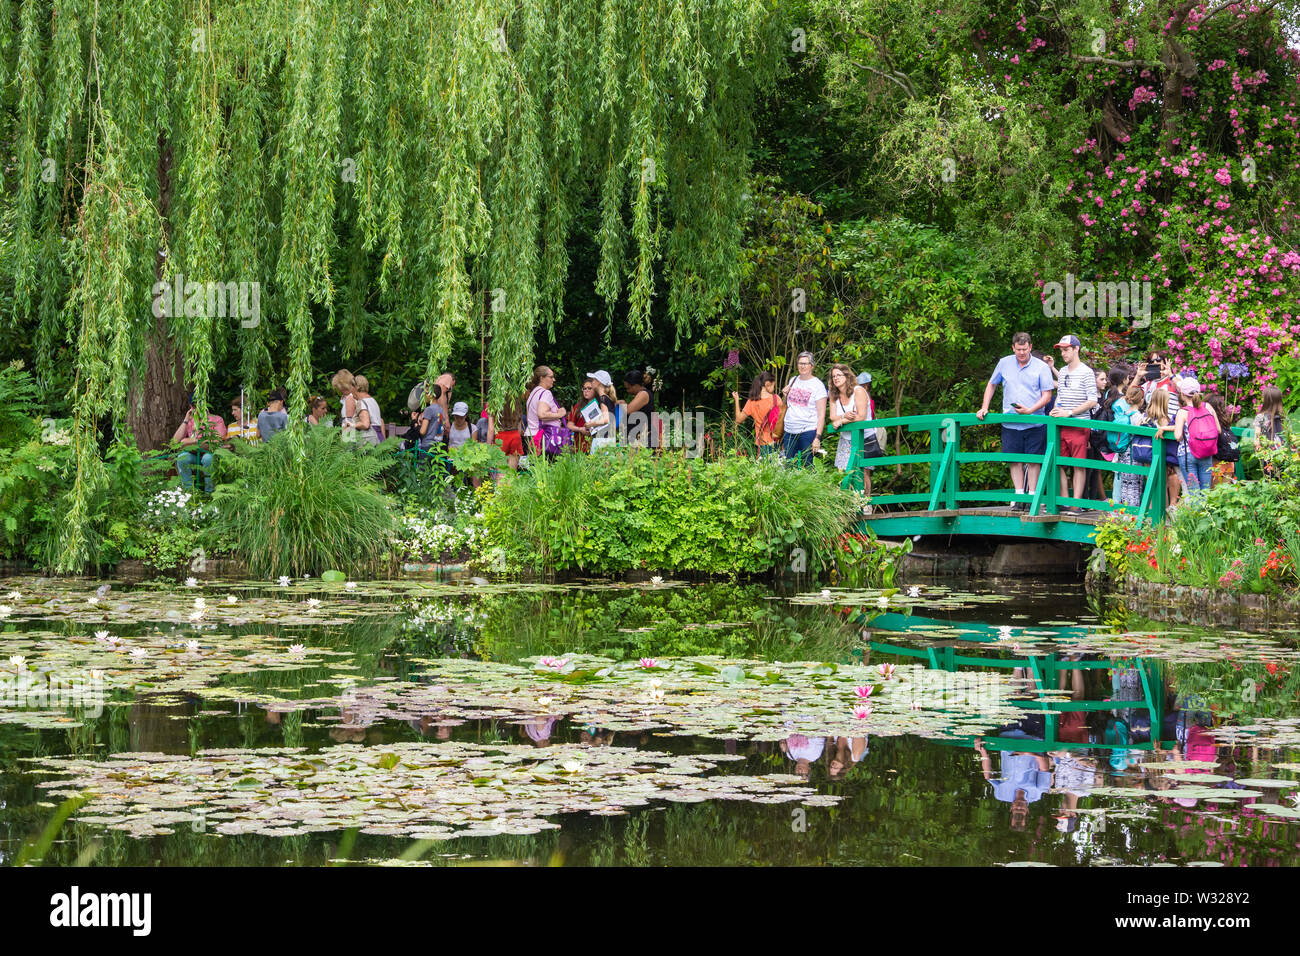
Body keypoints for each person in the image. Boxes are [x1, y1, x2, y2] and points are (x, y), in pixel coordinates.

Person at [977, 333, 1055, 511]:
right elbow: (992, 384)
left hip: (1035, 421)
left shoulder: (1042, 367)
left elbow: (1047, 395)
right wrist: (984, 407)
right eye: (1018, 349)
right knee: (1014, 459)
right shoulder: (1004, 362)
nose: (1021, 352)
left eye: (1025, 349)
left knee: (1034, 460)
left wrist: (1030, 410)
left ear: (1030, 347)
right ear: (1013, 348)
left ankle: (1032, 496)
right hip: (1010, 421)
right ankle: (1018, 495)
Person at [1050, 334, 1099, 512]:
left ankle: (1076, 504)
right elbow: (1061, 396)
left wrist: (1069, 413)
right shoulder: (1062, 371)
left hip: (1079, 424)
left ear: (1076, 349)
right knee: (1058, 463)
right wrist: (1056, 408)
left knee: (1078, 465)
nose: (1063, 354)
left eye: (1066, 350)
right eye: (1062, 350)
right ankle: (1065, 500)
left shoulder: (1086, 372)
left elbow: (1092, 400)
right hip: (1061, 424)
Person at [1162, 377, 1219, 497]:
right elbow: (1218, 430)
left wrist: (1166, 428)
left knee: (1194, 492)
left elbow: (1178, 436)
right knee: (1205, 491)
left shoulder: (1182, 412)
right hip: (1206, 452)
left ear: (1182, 394)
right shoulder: (1208, 407)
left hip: (1188, 454)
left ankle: (1195, 516)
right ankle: (1205, 515)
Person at [172, 395, 227, 494]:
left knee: (207, 459)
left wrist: (189, 441)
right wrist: (186, 420)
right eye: (194, 405)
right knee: (182, 457)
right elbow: (175, 442)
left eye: (200, 404)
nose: (198, 407)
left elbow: (219, 440)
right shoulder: (190, 421)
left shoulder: (216, 419)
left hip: (211, 454)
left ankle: (209, 494)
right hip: (194, 455)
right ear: (191, 407)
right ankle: (188, 493)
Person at [780, 352, 828, 465]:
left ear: (812, 366)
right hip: (789, 430)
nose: (802, 366)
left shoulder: (818, 385)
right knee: (789, 465)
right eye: (800, 363)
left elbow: (821, 415)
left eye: (806, 364)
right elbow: (789, 405)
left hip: (808, 431)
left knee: (808, 466)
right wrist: (785, 395)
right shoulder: (793, 380)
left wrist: (817, 437)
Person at [1142, 388, 1179, 507]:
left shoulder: (1146, 416)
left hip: (1148, 454)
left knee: (1152, 483)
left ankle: (1153, 514)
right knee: (1162, 484)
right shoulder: (1163, 419)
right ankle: (1161, 515)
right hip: (1160, 455)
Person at [1113, 384, 1146, 509]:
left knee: (1125, 485)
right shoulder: (1138, 416)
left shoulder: (1124, 413)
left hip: (1123, 453)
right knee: (1134, 485)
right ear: (1141, 400)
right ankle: (1132, 515)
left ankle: (1123, 514)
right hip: (1134, 454)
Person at [732, 371, 781, 457]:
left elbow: (738, 419)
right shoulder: (776, 399)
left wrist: (736, 400)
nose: (774, 387)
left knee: (763, 469)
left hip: (762, 443)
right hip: (777, 441)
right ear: (768, 384)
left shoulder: (752, 401)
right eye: (773, 385)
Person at [524, 366, 567, 458]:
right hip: (542, 438)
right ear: (542, 378)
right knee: (547, 469)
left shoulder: (533, 393)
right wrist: (560, 414)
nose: (554, 379)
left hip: (531, 435)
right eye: (551, 377)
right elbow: (542, 414)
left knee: (535, 469)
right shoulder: (545, 393)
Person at [622, 369, 658, 449]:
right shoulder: (640, 394)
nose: (627, 391)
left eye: (628, 388)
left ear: (635, 385)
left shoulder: (643, 394)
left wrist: (622, 403)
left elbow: (628, 410)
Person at [582, 370, 617, 452]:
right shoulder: (607, 398)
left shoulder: (603, 399)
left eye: (593, 380)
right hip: (608, 437)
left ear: (598, 382)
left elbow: (605, 419)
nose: (592, 382)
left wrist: (590, 424)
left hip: (602, 438)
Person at [494, 392, 525, 469]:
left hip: (500, 436)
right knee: (511, 473)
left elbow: (491, 429)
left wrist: (489, 447)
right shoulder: (516, 401)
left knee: (500, 472)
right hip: (515, 435)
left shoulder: (496, 402)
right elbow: (520, 428)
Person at [353, 374, 384, 444]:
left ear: (357, 387)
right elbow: (381, 421)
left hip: (370, 440)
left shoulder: (361, 402)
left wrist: (351, 424)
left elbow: (365, 424)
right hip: (379, 437)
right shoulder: (373, 401)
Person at [331, 369, 360, 441]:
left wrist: (344, 441)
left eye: (338, 387)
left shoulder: (350, 398)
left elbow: (349, 423)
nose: (338, 390)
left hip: (351, 437)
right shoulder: (355, 396)